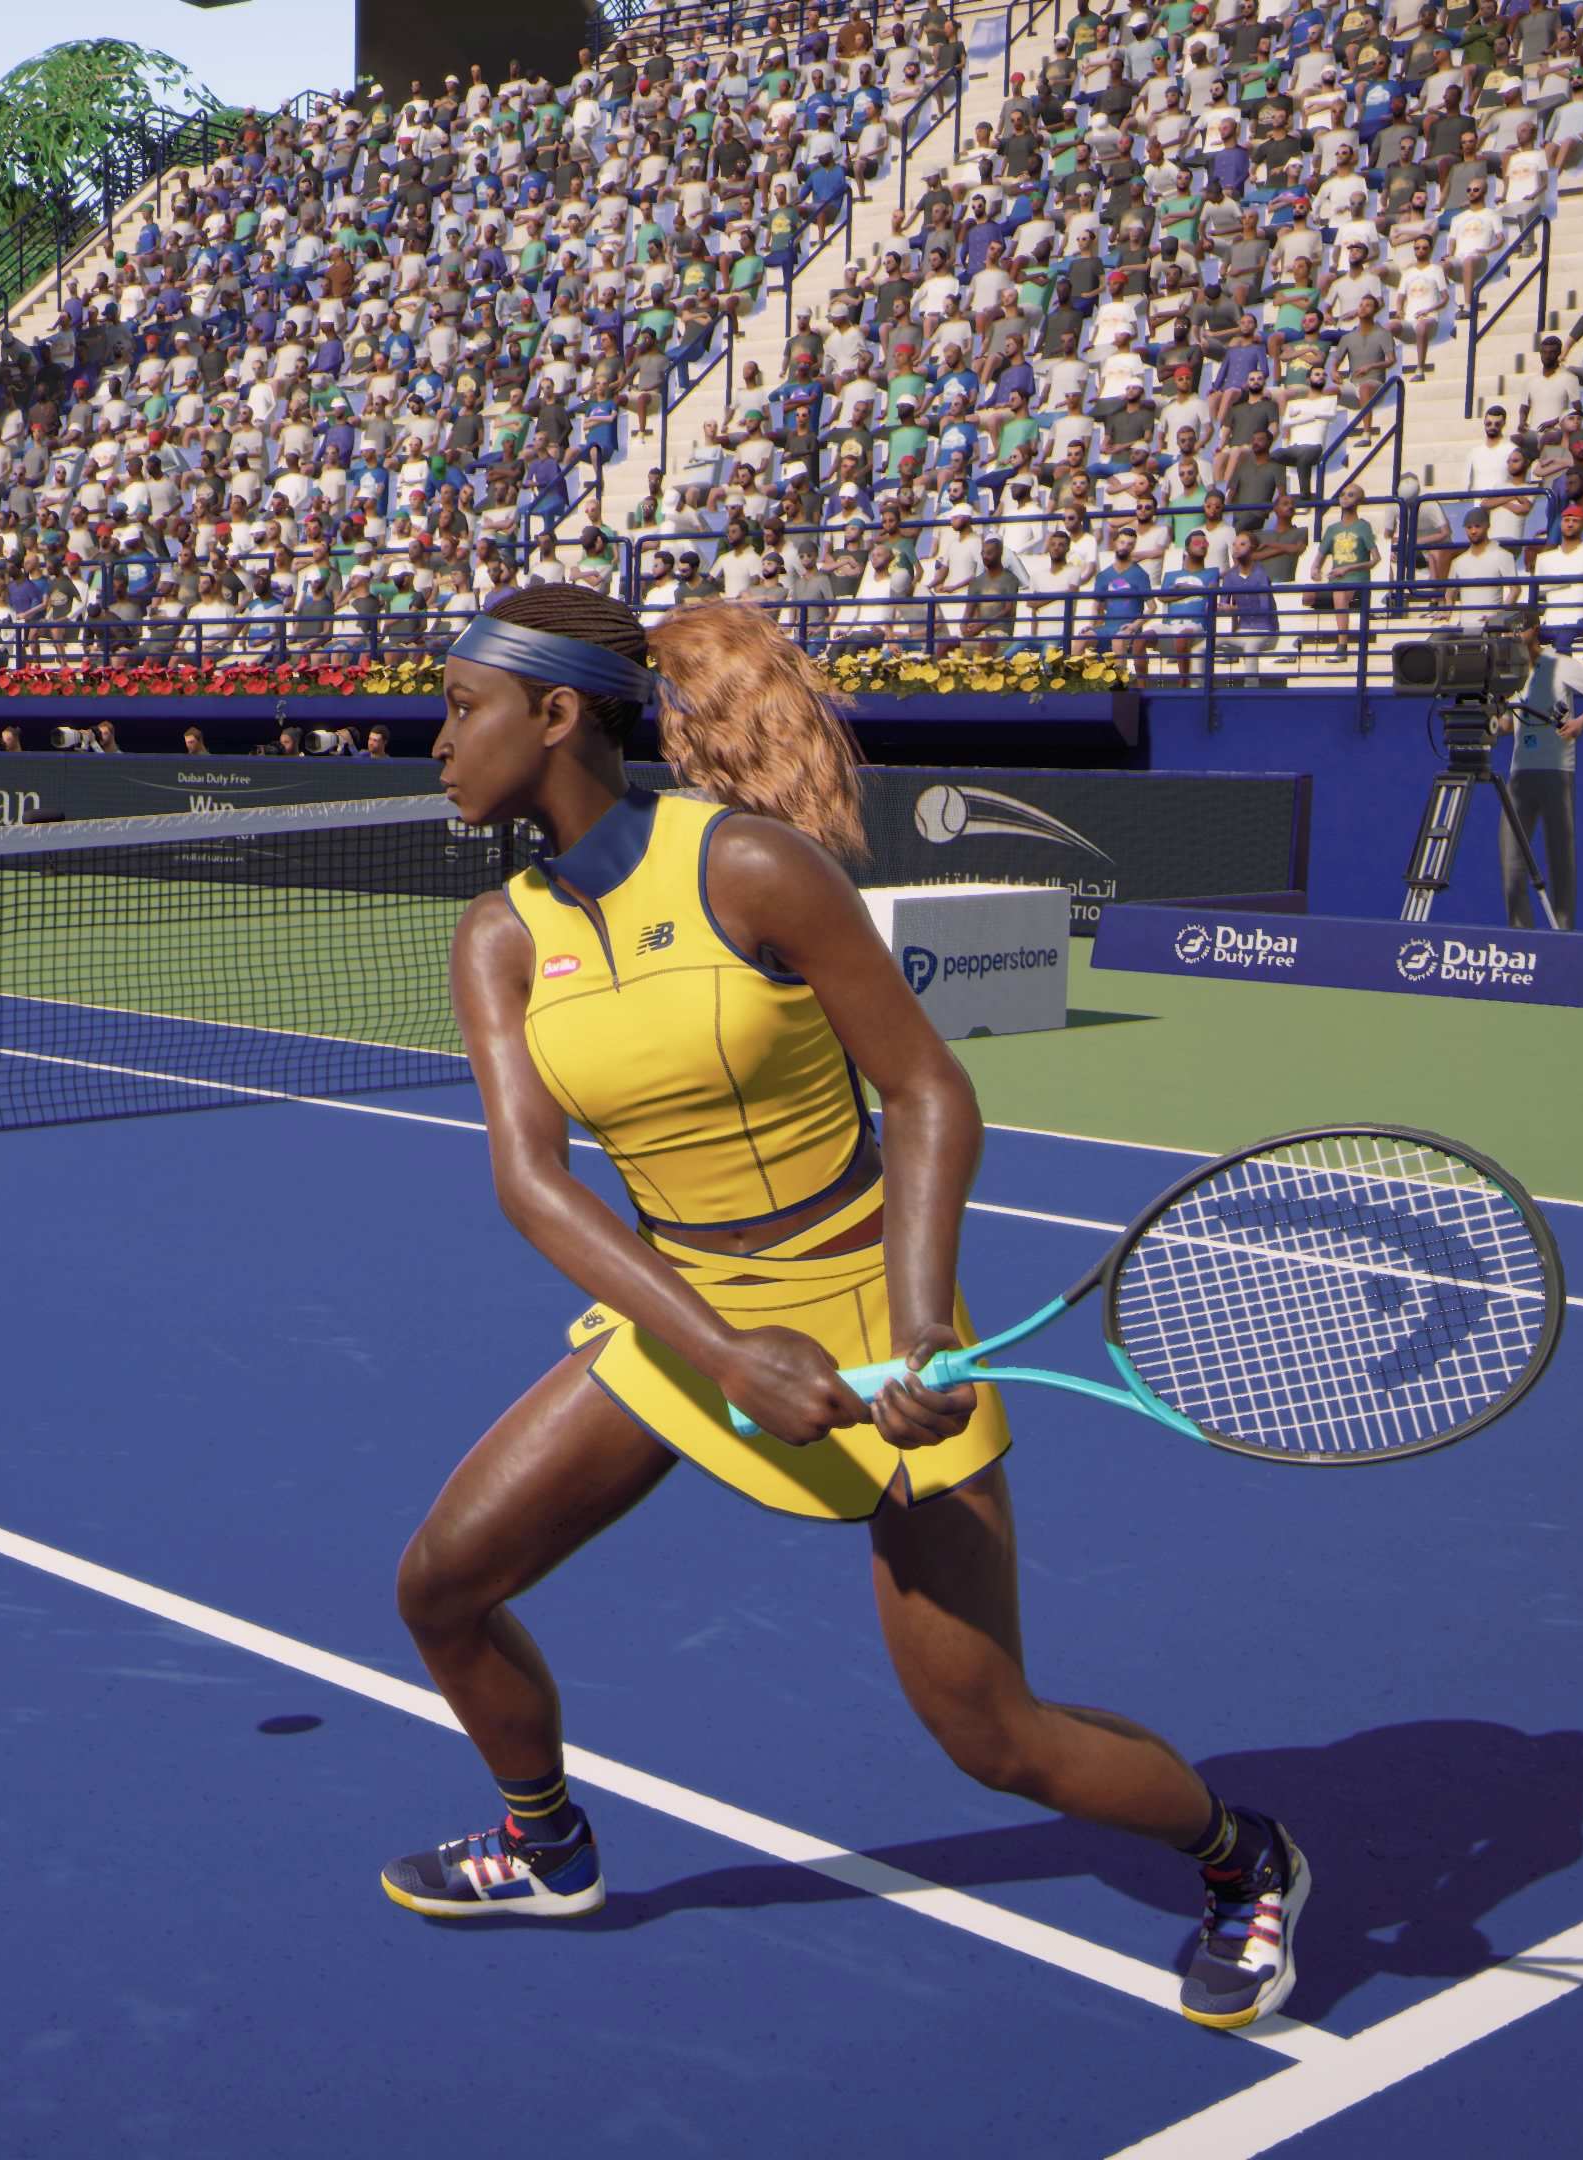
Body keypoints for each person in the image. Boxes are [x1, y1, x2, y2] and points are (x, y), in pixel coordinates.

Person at [385, 584, 1310, 2033]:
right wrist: (720, 1347)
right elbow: (534, 1183)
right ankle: (545, 1844)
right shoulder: (498, 937)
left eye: (458, 709)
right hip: (688, 1320)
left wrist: (924, 1322)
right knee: (442, 1586)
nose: (435, 743)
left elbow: (926, 1088)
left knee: (993, 1737)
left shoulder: (750, 867)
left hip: (875, 1310)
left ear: (556, 714)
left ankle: (1244, 1859)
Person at [1494, 611, 1583, 932]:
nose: (1514, 636)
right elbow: (1507, 725)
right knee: (1511, 863)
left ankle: (1563, 938)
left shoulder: (1562, 665)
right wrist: (1489, 718)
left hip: (1557, 773)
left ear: (1535, 629)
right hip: (1520, 776)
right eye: (1509, 632)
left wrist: (1579, 723)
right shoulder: (1511, 675)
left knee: (1560, 861)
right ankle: (1521, 938)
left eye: (1519, 629)